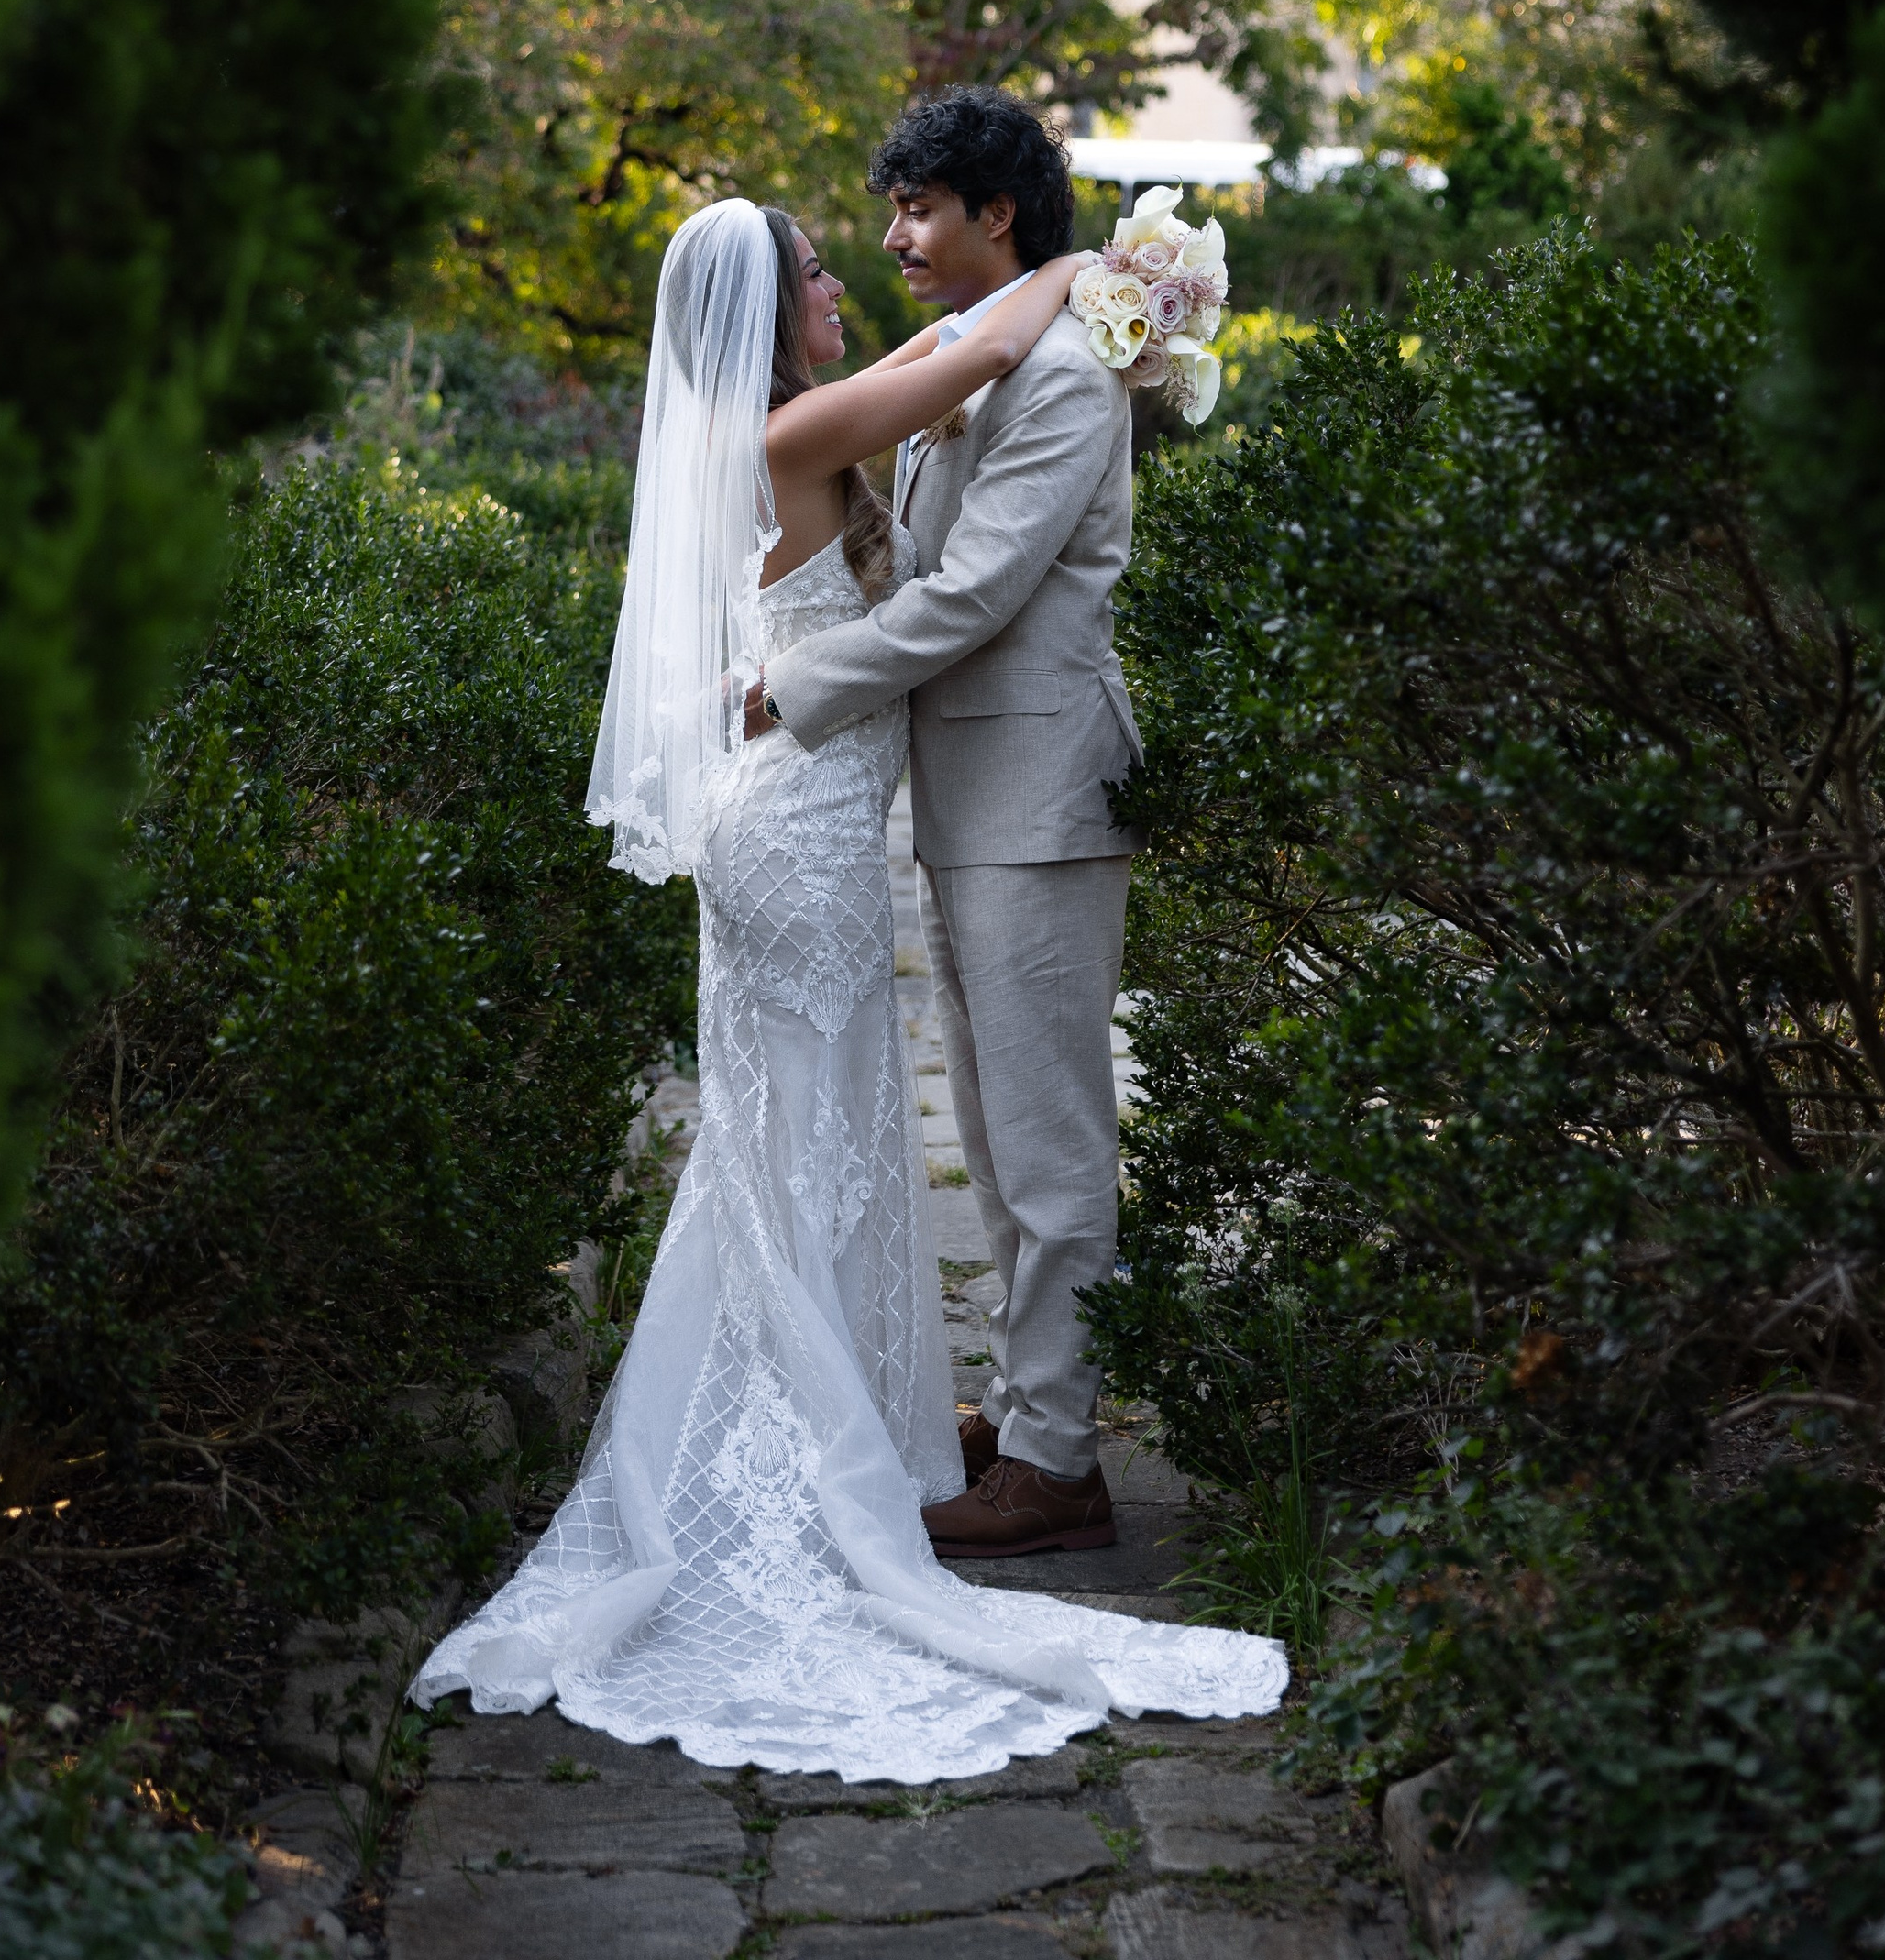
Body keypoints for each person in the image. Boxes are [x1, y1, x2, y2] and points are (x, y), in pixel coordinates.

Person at [413, 189, 1284, 1782]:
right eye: (818, 265)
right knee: (804, 1145)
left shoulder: (776, 426)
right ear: (767, 316)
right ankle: (809, 1452)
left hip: (797, 830)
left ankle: (848, 1428)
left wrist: (1079, 299)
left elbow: (940, 351)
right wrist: (1095, 275)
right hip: (800, 845)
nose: (845, 279)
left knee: (799, 1147)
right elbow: (975, 345)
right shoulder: (800, 436)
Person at [751, 91, 1143, 1559]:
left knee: (1048, 1142)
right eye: (894, 206)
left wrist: (789, 692)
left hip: (1042, 795)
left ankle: (1062, 1465)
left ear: (1000, 214)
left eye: (921, 208)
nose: (896, 233)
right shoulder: (980, 362)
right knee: (991, 1130)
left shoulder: (1065, 381)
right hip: (971, 799)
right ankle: (1031, 1407)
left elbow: (973, 593)